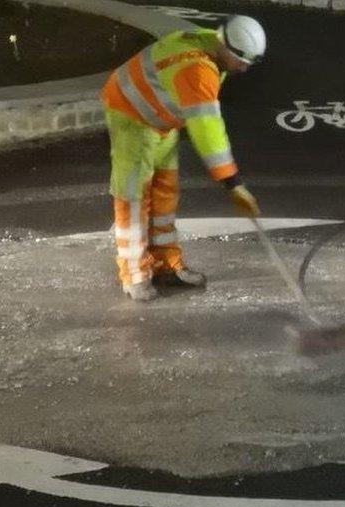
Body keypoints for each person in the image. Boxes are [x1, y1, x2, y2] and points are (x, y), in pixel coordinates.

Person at [101, 16, 266, 301]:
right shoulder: (197, 69)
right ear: (225, 46)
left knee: (165, 192)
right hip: (131, 113)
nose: (244, 68)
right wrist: (233, 184)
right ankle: (134, 273)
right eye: (241, 60)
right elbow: (208, 131)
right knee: (135, 195)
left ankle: (166, 263)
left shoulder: (210, 40)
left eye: (251, 63)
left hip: (161, 118)